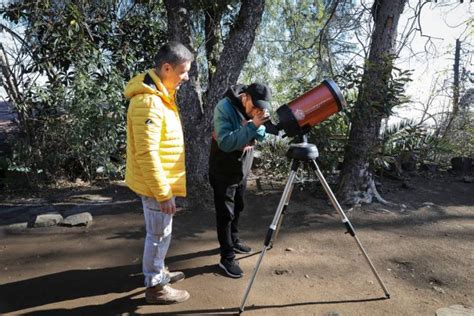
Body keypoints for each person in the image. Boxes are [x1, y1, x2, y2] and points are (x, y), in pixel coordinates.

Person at [124, 41, 193, 304]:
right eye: (183, 71)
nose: (186, 77)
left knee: (162, 232)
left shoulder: (160, 94)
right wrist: (163, 193)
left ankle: (159, 271)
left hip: (160, 182)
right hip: (156, 185)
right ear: (166, 68)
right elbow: (147, 152)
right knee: (158, 234)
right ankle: (155, 286)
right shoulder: (150, 102)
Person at [209, 82, 271, 278]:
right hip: (223, 167)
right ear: (245, 97)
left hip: (242, 167)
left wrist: (253, 127)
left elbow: (262, 134)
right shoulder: (224, 108)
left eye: (262, 109)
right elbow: (226, 142)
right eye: (255, 107)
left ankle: (233, 240)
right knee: (225, 214)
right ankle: (226, 257)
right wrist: (252, 126)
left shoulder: (256, 110)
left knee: (239, 205)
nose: (258, 111)